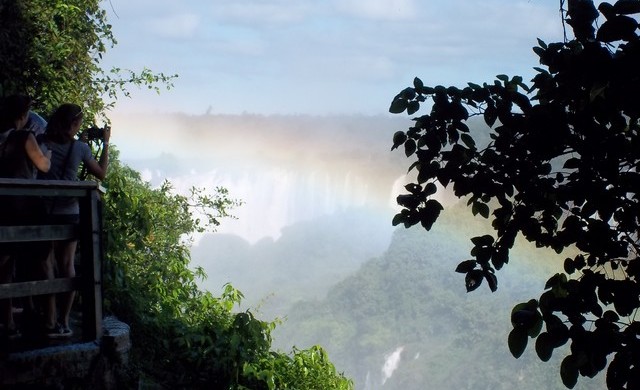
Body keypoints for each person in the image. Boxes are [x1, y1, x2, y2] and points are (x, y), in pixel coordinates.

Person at [38, 103, 110, 338]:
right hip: (69, 211)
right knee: (67, 264)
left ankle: (48, 319)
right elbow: (101, 173)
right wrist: (105, 143)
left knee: (45, 263)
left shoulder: (42, 142)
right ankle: (63, 321)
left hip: (43, 211)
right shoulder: (80, 148)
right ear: (74, 124)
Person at [0, 95, 52, 340]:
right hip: (21, 208)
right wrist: (48, 153)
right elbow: (43, 166)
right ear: (23, 115)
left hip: (4, 206)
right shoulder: (23, 137)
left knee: (6, 265)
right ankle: (47, 319)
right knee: (39, 259)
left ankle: (9, 322)